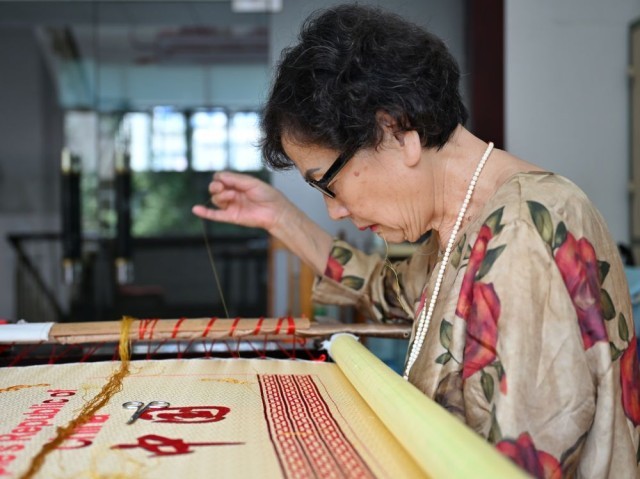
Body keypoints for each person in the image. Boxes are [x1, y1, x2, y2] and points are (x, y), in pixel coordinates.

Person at [193, 4, 640, 478]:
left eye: (328, 183)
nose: (334, 209)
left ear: (396, 130)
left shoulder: (525, 229)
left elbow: (520, 466)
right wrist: (281, 218)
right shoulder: (464, 227)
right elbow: (385, 292)